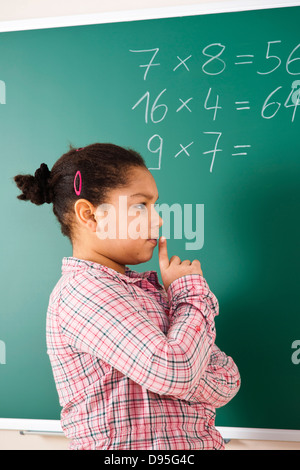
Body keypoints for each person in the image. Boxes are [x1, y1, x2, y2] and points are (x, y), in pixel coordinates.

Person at [13, 142, 240, 450]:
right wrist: (189, 296)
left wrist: (178, 369)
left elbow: (227, 380)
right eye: (140, 206)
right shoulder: (84, 292)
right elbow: (177, 371)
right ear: (90, 215)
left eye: (155, 205)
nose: (158, 219)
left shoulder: (148, 293)